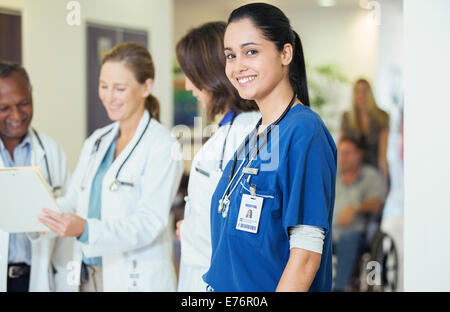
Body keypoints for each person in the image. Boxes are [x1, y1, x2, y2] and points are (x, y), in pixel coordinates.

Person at [203, 3, 337, 292]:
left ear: (285, 53)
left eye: (251, 52)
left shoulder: (304, 132)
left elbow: (305, 257)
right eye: (230, 55)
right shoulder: (257, 135)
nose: (238, 66)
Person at [37, 42, 184, 292]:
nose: (109, 96)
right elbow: (74, 199)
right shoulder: (97, 140)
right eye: (103, 86)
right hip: (87, 271)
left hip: (133, 275)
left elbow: (149, 221)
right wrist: (42, 215)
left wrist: (85, 229)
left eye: (119, 88)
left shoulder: (162, 145)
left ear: (146, 86)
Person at [174, 21, 260, 292]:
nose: (188, 85)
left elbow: (241, 229)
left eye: (191, 74)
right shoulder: (231, 130)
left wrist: (187, 232)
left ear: (211, 73)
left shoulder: (248, 132)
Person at [0, 62, 72, 292]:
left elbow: (65, 231)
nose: (17, 115)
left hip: (36, 279)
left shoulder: (51, 152)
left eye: (24, 103)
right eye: (4, 108)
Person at [332, 136, 385, 292]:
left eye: (347, 153)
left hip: (359, 234)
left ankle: (340, 288)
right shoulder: (333, 175)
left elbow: (377, 202)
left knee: (348, 236)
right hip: (331, 231)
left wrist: (354, 208)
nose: (342, 157)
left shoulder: (371, 176)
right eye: (340, 153)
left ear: (358, 154)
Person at [340, 79, 390, 180]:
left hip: (374, 170)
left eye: (364, 91)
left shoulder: (382, 117)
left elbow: (382, 153)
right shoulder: (346, 117)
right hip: (352, 172)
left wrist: (384, 179)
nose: (361, 95)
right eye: (357, 92)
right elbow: (341, 147)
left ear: (370, 94)